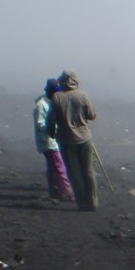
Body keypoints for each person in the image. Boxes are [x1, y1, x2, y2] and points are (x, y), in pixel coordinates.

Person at [48, 69, 99, 211]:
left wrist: (52, 134)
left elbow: (51, 121)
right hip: (85, 138)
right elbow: (91, 115)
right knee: (88, 171)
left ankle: (82, 203)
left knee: (74, 172)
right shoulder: (83, 95)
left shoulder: (57, 97)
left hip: (66, 140)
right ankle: (93, 202)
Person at [33, 78, 74, 202]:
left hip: (54, 140)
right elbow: (40, 124)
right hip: (48, 140)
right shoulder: (42, 105)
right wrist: (56, 128)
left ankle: (54, 191)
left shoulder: (52, 103)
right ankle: (67, 191)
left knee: (52, 167)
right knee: (59, 165)